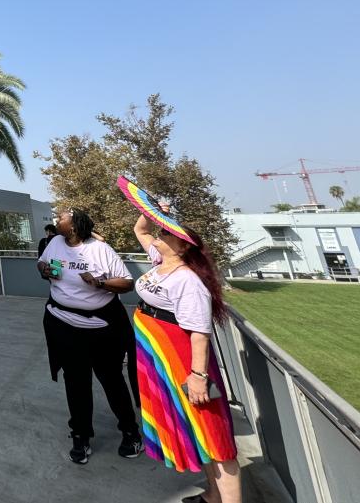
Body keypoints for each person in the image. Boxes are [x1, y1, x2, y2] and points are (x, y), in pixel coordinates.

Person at [132, 207, 241, 502]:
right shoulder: (159, 263)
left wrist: (198, 376)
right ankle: (212, 495)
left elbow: (199, 333)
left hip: (185, 363)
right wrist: (153, 212)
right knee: (197, 432)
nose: (161, 234)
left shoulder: (188, 281)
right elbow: (140, 231)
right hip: (162, 359)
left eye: (167, 233)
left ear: (182, 247)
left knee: (214, 435)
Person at [37, 207, 142, 464]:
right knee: (75, 382)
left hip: (101, 329)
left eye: (60, 218)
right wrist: (45, 270)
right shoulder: (55, 243)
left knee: (112, 380)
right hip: (64, 325)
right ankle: (80, 436)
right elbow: (42, 263)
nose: (56, 221)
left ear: (73, 225)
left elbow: (127, 283)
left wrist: (100, 283)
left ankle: (130, 432)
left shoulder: (100, 249)